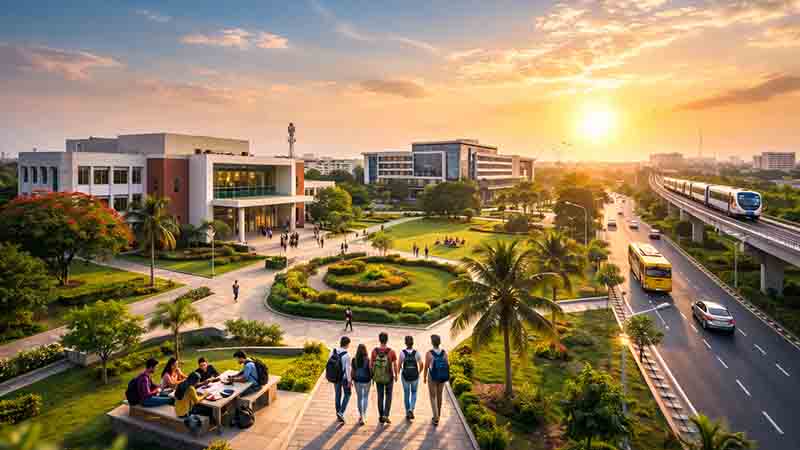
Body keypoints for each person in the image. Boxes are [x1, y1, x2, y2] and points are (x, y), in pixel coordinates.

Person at [370, 332, 398, 424]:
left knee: (380, 396)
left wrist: (373, 376)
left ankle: (381, 416)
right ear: (387, 340)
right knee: (388, 395)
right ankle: (386, 414)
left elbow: (371, 365)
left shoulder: (374, 351)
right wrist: (396, 375)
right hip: (389, 377)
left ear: (379, 339)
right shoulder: (391, 351)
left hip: (378, 377)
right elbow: (395, 365)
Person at [424, 334, 449, 426]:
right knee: (439, 395)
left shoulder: (429, 353)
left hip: (432, 376)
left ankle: (435, 417)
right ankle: (438, 414)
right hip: (442, 376)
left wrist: (424, 377)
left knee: (432, 396)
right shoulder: (444, 353)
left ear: (432, 343)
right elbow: (446, 364)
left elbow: (426, 366)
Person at [399, 335, 423, 420]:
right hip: (415, 376)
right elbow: (421, 364)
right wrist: (419, 372)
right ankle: (411, 409)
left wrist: (400, 372)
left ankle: (407, 412)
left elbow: (399, 365)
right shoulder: (416, 353)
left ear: (405, 343)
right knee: (414, 392)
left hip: (405, 376)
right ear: (413, 343)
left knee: (406, 393)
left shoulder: (402, 353)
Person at [329, 336, 352, 423]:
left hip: (335, 377)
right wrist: (350, 381)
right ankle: (341, 412)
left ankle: (338, 413)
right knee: (348, 394)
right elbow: (348, 370)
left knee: (337, 395)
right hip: (344, 379)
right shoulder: (347, 355)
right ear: (347, 344)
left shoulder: (333, 351)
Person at [351, 343, 372, 425]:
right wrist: (372, 377)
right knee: (366, 397)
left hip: (357, 381)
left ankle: (361, 415)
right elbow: (370, 370)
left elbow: (353, 371)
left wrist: (351, 380)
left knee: (359, 398)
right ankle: (364, 415)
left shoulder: (354, 359)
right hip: (366, 380)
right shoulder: (368, 359)